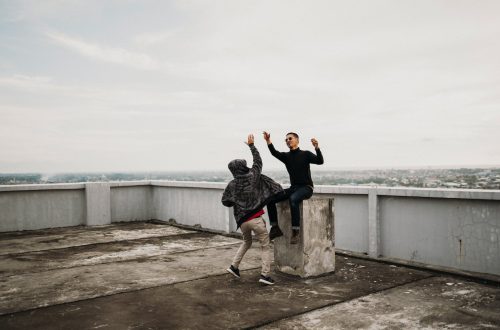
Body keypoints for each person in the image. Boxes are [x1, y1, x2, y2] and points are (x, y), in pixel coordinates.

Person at [222, 134, 283, 285]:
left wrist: (237, 201)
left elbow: (225, 201)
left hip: (242, 222)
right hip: (255, 219)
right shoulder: (253, 176)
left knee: (246, 242)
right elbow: (258, 161)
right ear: (243, 166)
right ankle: (265, 275)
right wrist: (252, 145)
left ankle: (234, 266)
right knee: (265, 245)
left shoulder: (232, 185)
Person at [263, 131, 324, 244]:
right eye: (286, 140)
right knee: (270, 198)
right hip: (293, 188)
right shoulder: (286, 157)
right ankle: (275, 228)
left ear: (297, 140)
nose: (287, 141)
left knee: (293, 199)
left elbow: (320, 161)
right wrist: (268, 141)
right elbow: (274, 153)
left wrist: (317, 148)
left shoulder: (306, 154)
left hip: (306, 188)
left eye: (290, 138)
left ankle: (296, 232)